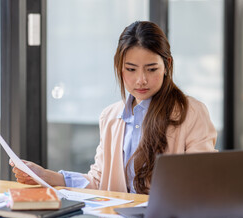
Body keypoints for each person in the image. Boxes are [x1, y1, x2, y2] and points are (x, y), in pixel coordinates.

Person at [11, 21, 217, 194]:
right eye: (131, 69)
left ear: (167, 66)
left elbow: (202, 181)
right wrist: (45, 175)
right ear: (119, 68)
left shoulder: (191, 113)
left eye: (151, 69)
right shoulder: (110, 117)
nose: (141, 80)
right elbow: (99, 181)